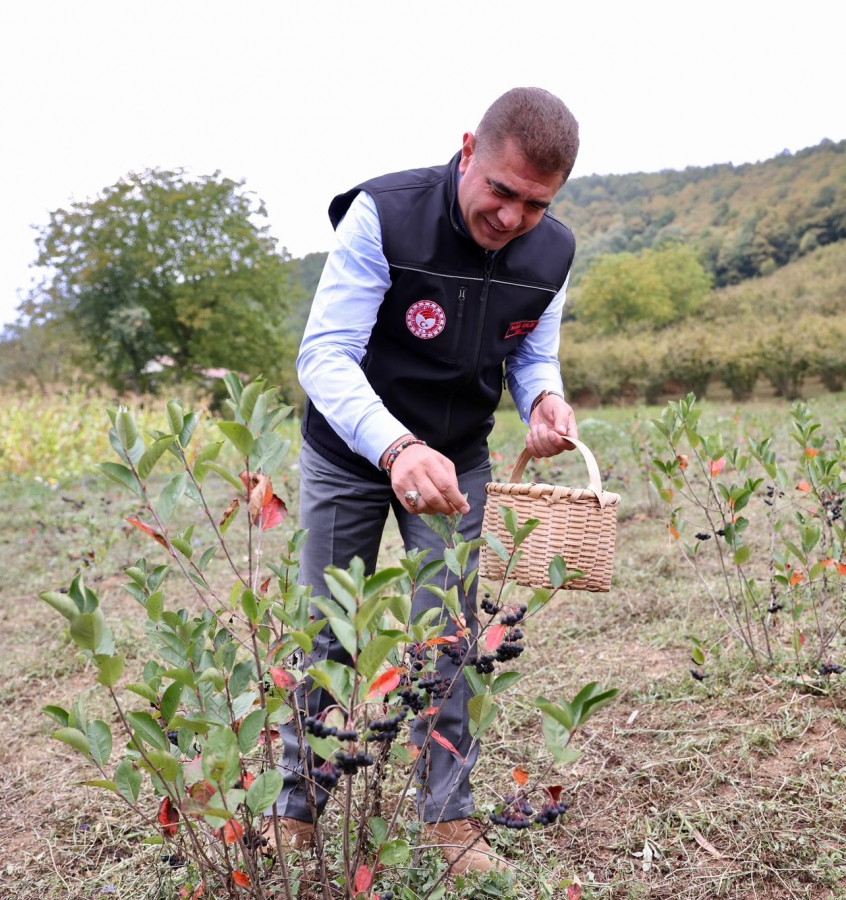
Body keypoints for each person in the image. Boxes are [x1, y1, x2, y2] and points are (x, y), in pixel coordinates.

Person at [268, 87, 581, 876]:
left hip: (458, 458)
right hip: (349, 451)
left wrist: (543, 399)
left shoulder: (552, 253)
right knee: (329, 629)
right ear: (468, 149)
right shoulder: (384, 214)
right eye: (501, 191)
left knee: (448, 634)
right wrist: (396, 447)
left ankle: (448, 818)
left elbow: (531, 351)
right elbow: (324, 356)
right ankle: (296, 812)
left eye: (534, 204)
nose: (511, 217)